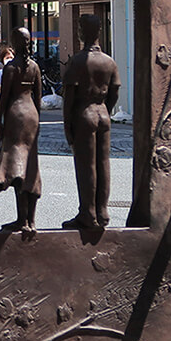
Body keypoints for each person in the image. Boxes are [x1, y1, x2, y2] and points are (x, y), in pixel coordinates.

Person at [61, 14, 120, 230]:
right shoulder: (109, 61)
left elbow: (68, 98)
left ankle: (88, 212)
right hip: (103, 113)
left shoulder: (77, 61)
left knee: (86, 166)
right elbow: (114, 93)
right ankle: (102, 211)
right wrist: (106, 110)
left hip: (84, 113)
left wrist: (67, 125)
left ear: (82, 32)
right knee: (103, 163)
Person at [0, 27, 42, 232]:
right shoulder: (34, 67)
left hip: (16, 115)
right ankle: (31, 220)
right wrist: (38, 121)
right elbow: (39, 97)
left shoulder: (10, 69)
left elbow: (4, 99)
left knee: (18, 167)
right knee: (32, 165)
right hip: (31, 116)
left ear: (15, 44)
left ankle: (22, 219)